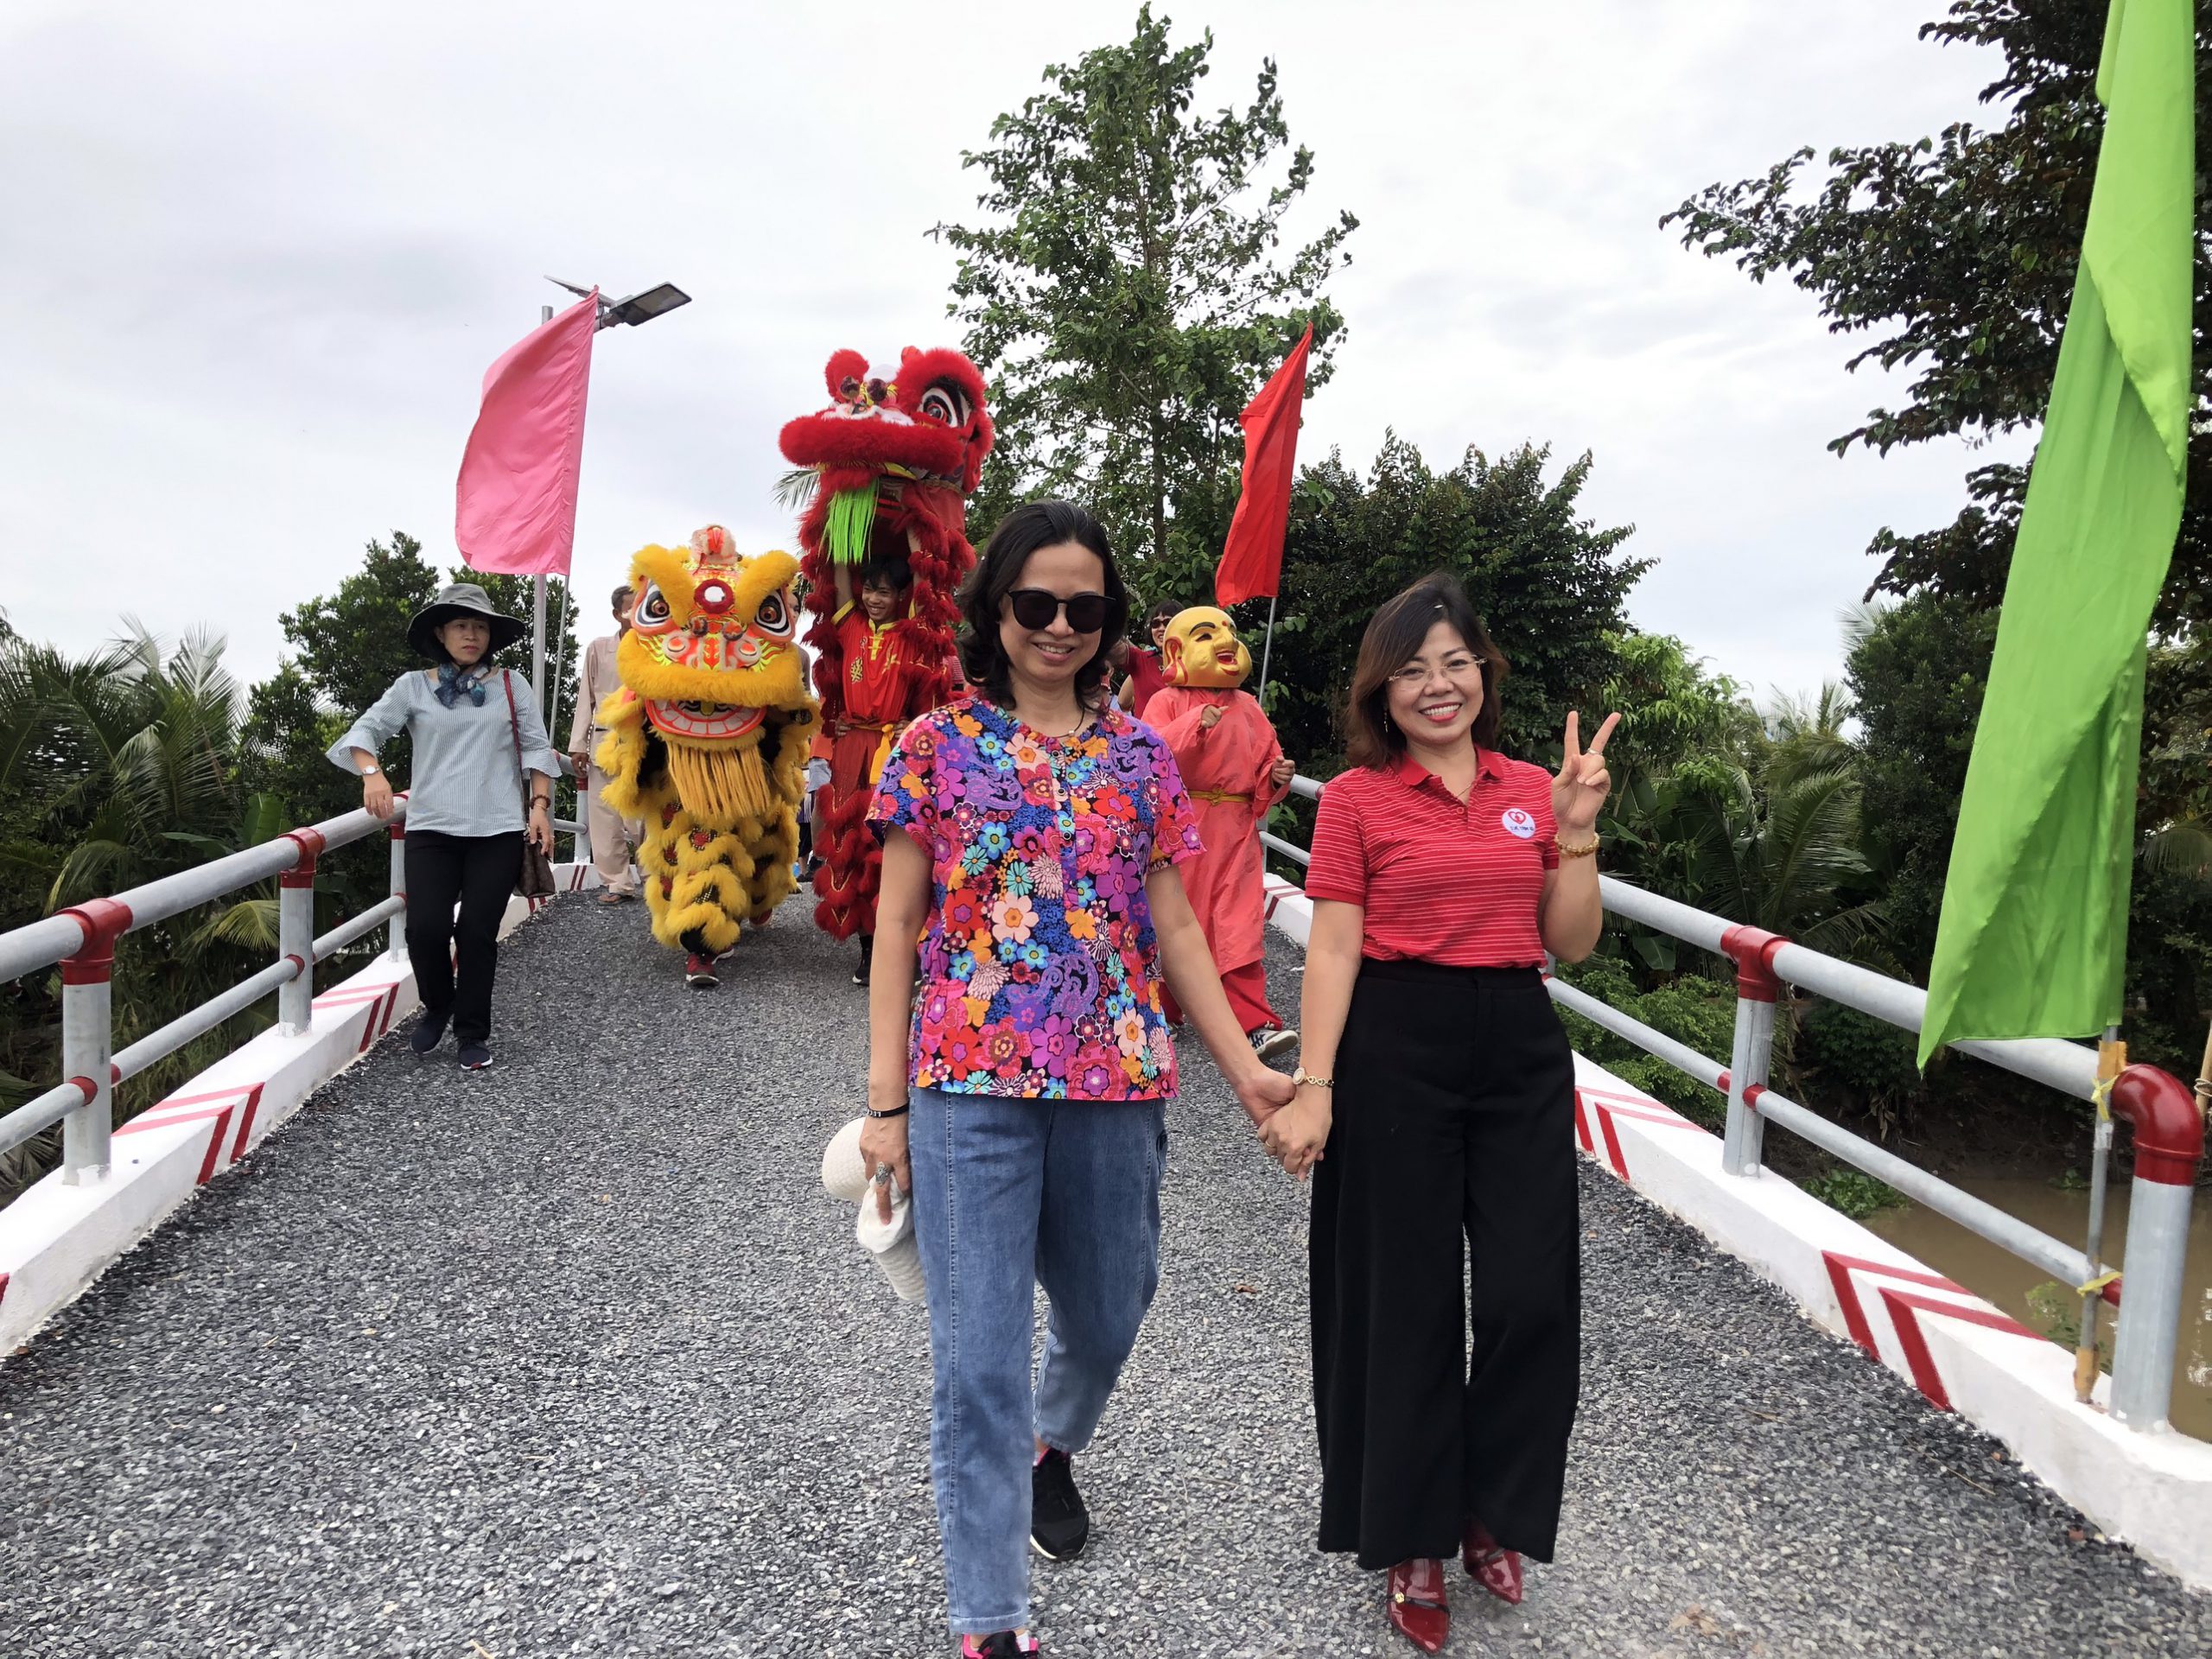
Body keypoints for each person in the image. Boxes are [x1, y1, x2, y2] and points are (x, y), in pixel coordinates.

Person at [861, 500, 1296, 1659]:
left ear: (1110, 621)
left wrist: (1249, 1073)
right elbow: (896, 926)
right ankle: (990, 1621)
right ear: (995, 609)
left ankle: (1050, 1443)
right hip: (967, 1090)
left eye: (1084, 606)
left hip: (1118, 1080)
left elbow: (1179, 928)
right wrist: (885, 1107)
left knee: (1110, 1311)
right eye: (1036, 602)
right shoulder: (932, 745)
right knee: (978, 1360)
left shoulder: (1141, 754)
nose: (1059, 625)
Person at [1258, 572, 1617, 1655]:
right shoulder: (1357, 800)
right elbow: (1332, 947)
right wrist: (1315, 1086)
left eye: (1455, 662)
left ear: (1482, 672)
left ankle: (1489, 1509)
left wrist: (1576, 831)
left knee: (1527, 1296)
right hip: (1394, 1042)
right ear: (1382, 690)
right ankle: (1409, 1534)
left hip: (1515, 1044)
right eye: (1412, 669)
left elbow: (1570, 941)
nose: (1437, 684)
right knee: (1400, 1303)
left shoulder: (1529, 789)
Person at [333, 582, 560, 1071]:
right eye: (461, 625)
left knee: (476, 932)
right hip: (432, 827)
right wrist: (372, 773)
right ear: (441, 633)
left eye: (480, 626)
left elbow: (537, 748)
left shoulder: (510, 684)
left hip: (497, 829)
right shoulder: (413, 686)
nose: (471, 634)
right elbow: (365, 731)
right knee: (425, 929)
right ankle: (439, 1004)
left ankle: (472, 1033)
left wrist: (540, 806)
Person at [1144, 604, 1300, 1059]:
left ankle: (1254, 1024)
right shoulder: (1166, 702)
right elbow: (1145, 757)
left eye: (1229, 631)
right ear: (1178, 649)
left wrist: (1276, 776)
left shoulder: (1248, 706)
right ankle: (1163, 1012)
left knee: (1239, 925)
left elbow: (1265, 763)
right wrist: (1194, 723)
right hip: (1180, 826)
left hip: (1235, 831)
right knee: (1173, 920)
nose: (1227, 641)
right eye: (1207, 634)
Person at [817, 556, 938, 986]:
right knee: (851, 848)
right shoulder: (850, 625)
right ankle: (868, 949)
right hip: (852, 746)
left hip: (892, 750)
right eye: (869, 589)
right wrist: (843, 526)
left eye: (884, 592)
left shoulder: (912, 633)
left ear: (900, 595)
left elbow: (925, 583)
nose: (873, 599)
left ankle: (904, 947)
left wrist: (911, 723)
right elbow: (840, 582)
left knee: (892, 846)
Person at [569, 582, 643, 905]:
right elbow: (585, 696)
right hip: (604, 742)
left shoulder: (659, 649)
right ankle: (617, 883)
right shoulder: (599, 649)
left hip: (643, 742)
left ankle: (656, 878)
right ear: (617, 613)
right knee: (604, 817)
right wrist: (578, 743)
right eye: (630, 606)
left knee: (643, 817)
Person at [1114, 601, 1176, 720]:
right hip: (1148, 731)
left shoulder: (1195, 664)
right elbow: (1122, 702)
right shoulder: (1142, 659)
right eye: (1156, 624)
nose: (1161, 628)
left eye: (1167, 623)